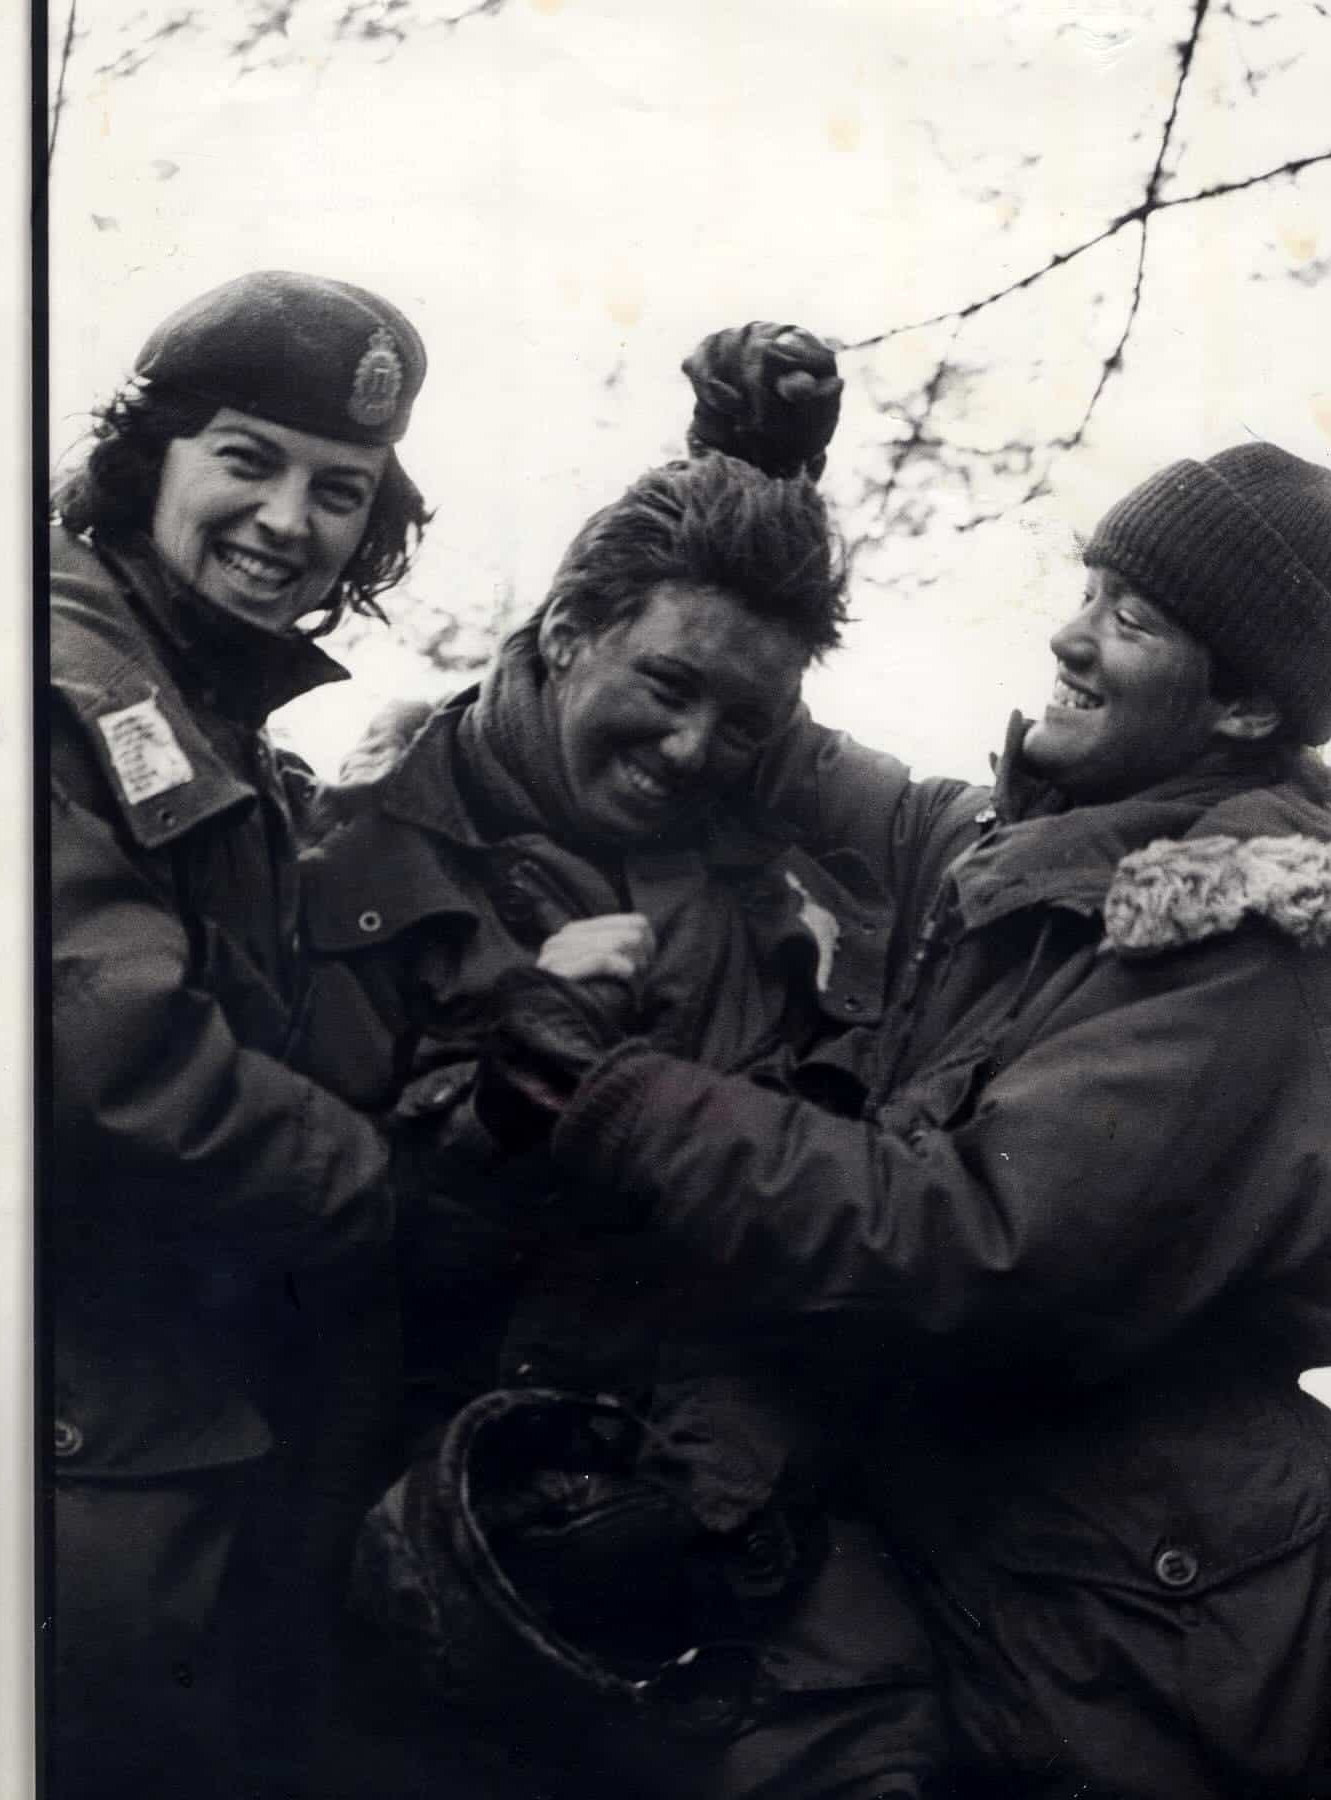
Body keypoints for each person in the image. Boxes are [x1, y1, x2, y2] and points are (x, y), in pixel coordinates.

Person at [471, 431, 1331, 1799]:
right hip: (1010, 1567)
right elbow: (747, 717)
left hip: (1117, 1642)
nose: (1070, 638)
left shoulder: (1238, 944)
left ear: (1243, 709)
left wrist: (622, 1103)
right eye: (1088, 589)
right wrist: (744, 491)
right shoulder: (1032, 850)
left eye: (1132, 621)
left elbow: (981, 1246)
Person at [296, 447, 949, 1798]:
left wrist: (717, 1490)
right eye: (667, 687)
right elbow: (304, 1256)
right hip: (415, 1576)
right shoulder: (344, 870)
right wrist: (504, 1093)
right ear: (565, 631)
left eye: (744, 722)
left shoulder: (778, 897)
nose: (694, 749)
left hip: (714, 1546)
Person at [49, 269, 434, 1797]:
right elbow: (113, 1057)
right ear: (150, 455)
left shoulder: (202, 718)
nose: (289, 521)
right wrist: (395, 1193)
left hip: (140, 1432)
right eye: (248, 460)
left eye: (339, 490)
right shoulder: (54, 686)